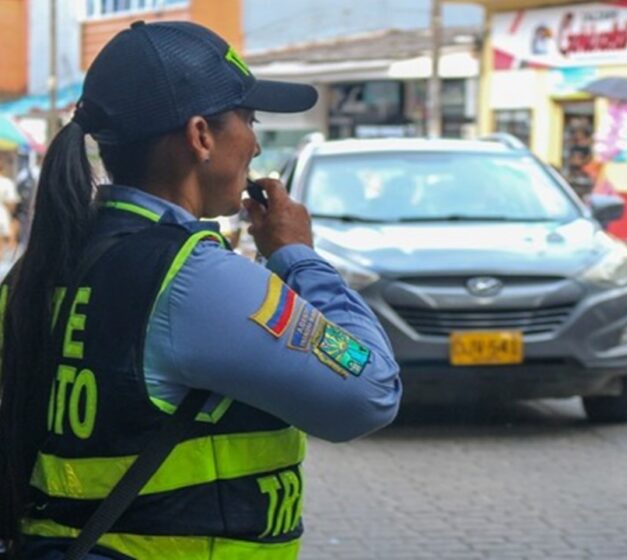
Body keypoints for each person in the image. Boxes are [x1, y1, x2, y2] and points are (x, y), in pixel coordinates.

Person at [0, 21, 401, 559]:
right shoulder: (195, 281)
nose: (256, 143)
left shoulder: (38, 267)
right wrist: (297, 255)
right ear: (201, 137)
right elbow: (370, 392)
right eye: (250, 119)